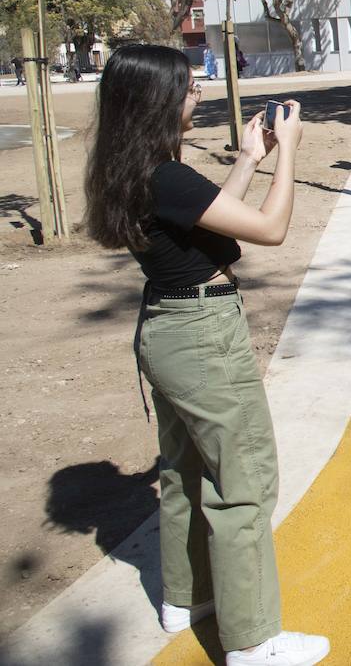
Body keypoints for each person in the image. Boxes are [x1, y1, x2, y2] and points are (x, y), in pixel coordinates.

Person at [81, 44, 329, 666]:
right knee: (243, 483)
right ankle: (252, 640)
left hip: (167, 328)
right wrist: (290, 152)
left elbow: (210, 220)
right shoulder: (166, 175)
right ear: (159, 100)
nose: (199, 94)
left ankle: (187, 599)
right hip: (201, 336)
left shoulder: (135, 168)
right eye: (189, 87)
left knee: (183, 471)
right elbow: (267, 228)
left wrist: (248, 157)